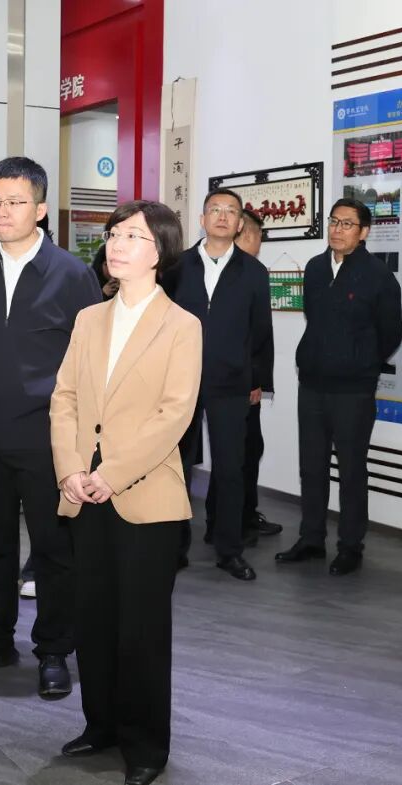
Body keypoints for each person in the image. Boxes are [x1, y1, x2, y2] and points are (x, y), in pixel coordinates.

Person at [51, 199, 201, 785]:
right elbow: (64, 398)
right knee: (93, 616)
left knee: (141, 628)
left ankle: (145, 745)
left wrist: (110, 473)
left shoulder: (181, 326)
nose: (117, 244)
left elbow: (173, 416)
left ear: (160, 251)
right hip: (82, 490)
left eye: (133, 236)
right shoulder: (90, 318)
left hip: (144, 496)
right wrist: (69, 468)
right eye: (115, 234)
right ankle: (102, 725)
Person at [0, 157, 101, 699]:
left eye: (15, 202)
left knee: (54, 548)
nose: (2, 212)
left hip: (47, 435)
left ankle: (54, 648)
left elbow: (88, 359)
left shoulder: (71, 273)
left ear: (40, 209)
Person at [277, 198, 402, 575]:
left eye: (347, 224)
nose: (337, 229)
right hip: (312, 384)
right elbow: (313, 317)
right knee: (311, 467)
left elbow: (390, 333)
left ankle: (350, 545)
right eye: (334, 221)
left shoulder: (379, 276)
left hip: (353, 389)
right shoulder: (315, 268)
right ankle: (311, 538)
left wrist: (360, 362)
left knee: (351, 471)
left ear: (364, 232)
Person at [172, 188, 273, 582]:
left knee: (231, 468)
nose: (222, 216)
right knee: (177, 467)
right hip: (180, 381)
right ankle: (173, 547)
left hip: (232, 383)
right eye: (215, 209)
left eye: (231, 211)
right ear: (202, 219)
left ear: (239, 223)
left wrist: (257, 379)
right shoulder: (176, 266)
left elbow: (260, 331)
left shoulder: (254, 272)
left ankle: (230, 550)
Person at [230, 210, 282, 542]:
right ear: (247, 233)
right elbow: (257, 333)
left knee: (238, 451)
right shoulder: (251, 271)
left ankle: (232, 518)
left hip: (228, 379)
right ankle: (241, 520)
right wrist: (256, 380)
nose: (260, 242)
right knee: (244, 452)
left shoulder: (222, 268)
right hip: (241, 381)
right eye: (260, 235)